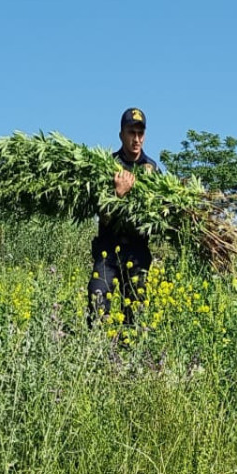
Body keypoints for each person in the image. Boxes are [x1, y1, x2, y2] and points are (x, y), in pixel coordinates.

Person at [87, 107, 159, 325]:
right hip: (109, 250)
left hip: (137, 252)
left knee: (135, 315)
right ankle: (97, 353)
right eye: (131, 133)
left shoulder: (152, 170)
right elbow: (102, 215)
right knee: (97, 302)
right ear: (121, 135)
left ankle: (128, 356)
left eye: (140, 133)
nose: (136, 139)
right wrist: (118, 195)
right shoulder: (108, 166)